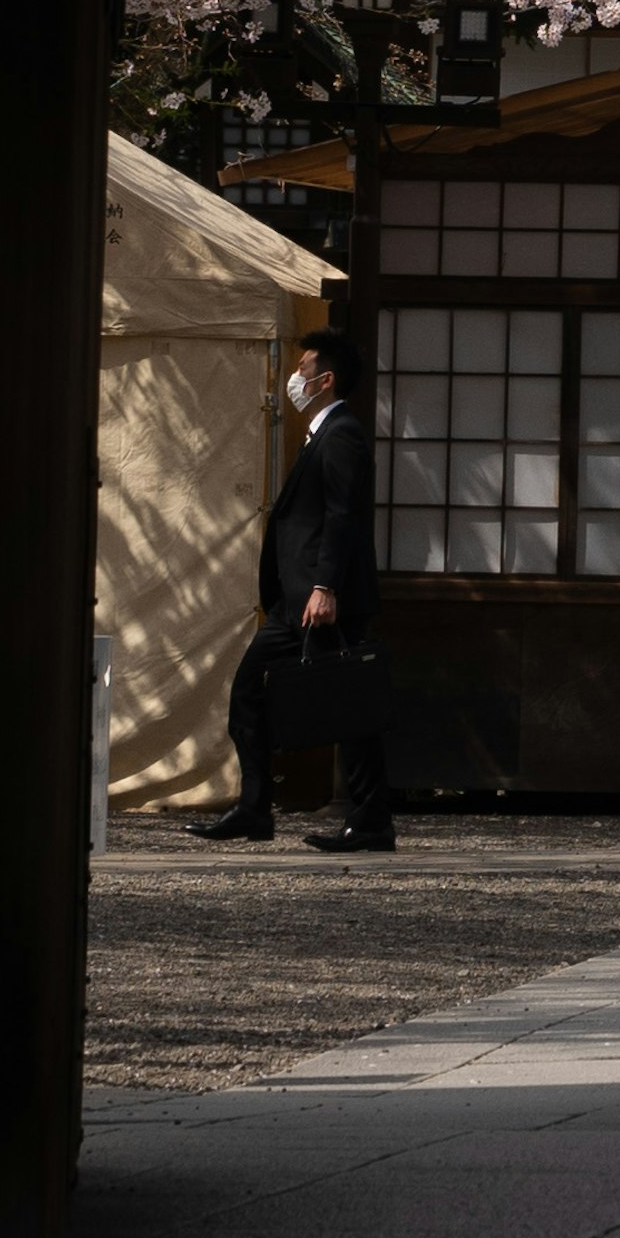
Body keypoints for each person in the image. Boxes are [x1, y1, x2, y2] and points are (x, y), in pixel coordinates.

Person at [197, 329, 390, 850]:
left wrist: (325, 586)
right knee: (250, 697)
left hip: (322, 600)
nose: (294, 379)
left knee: (350, 710)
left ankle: (371, 823)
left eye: (302, 369)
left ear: (326, 380)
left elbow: (342, 515)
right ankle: (255, 809)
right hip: (294, 603)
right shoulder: (320, 434)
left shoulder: (342, 433)